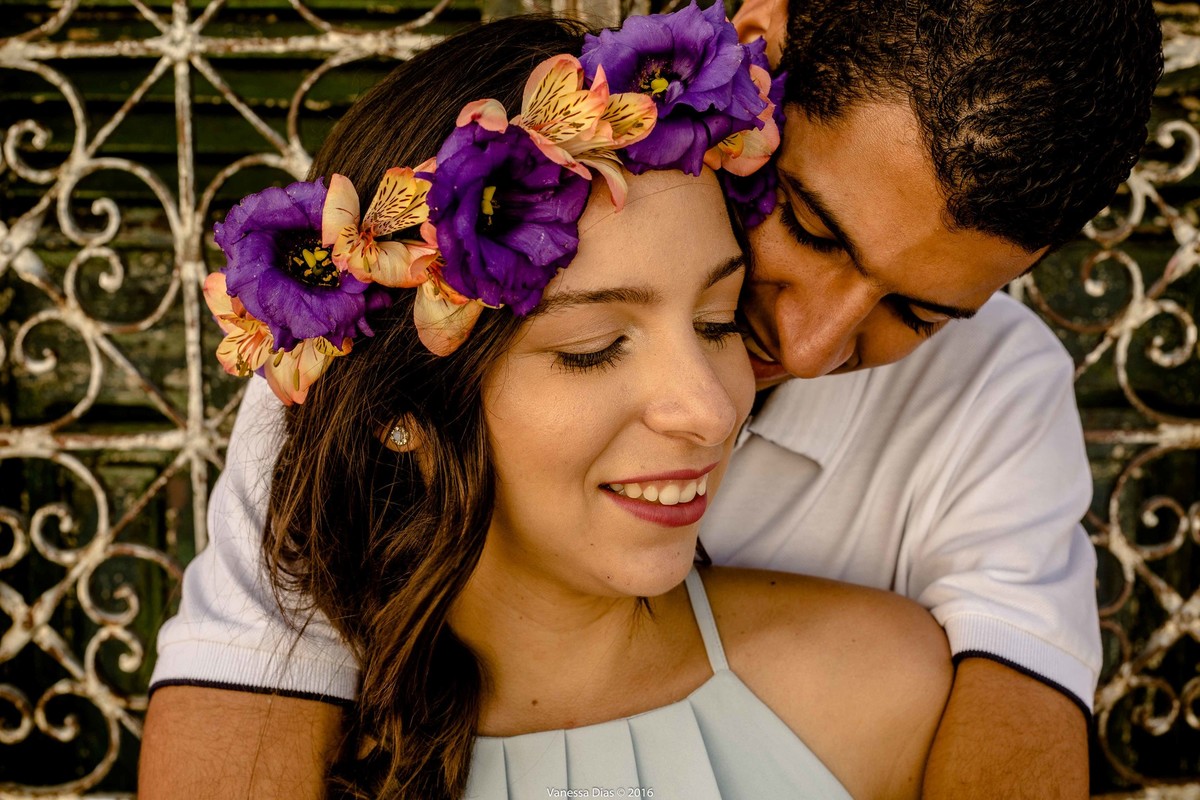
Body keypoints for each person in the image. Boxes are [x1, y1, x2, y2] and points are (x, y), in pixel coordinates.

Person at [140, 0, 1164, 797]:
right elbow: (258, 671)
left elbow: (1017, 701)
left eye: (918, 312)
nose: (805, 347)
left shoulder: (996, 395)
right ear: (755, 54)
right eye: (810, 227)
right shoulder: (422, 293)